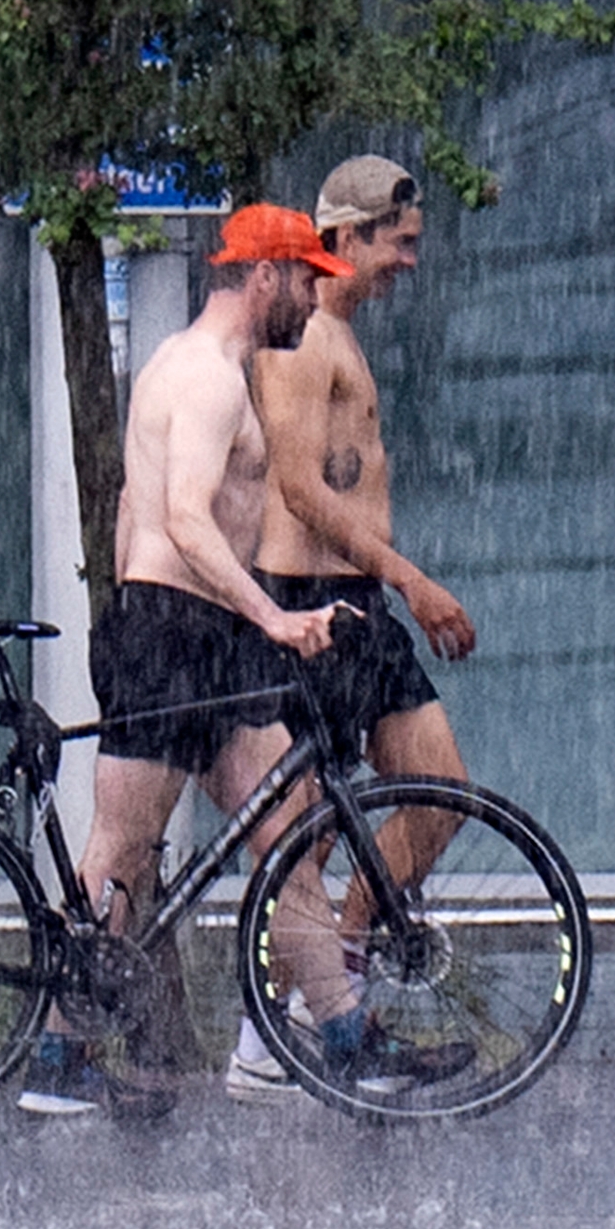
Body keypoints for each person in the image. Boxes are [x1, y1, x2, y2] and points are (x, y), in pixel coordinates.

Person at [21, 204, 404, 1115]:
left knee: (288, 835)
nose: (317, 293)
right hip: (173, 635)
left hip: (194, 637)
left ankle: (345, 1038)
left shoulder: (197, 370)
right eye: (306, 277)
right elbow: (186, 518)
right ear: (262, 275)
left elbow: (128, 514)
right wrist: (268, 616)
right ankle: (57, 1054)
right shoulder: (203, 378)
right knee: (120, 847)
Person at [229, 154, 479, 1103]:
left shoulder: (341, 335)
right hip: (313, 606)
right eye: (400, 244)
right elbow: (298, 486)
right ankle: (286, 1035)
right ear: (346, 239)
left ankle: (328, 992)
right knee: (309, 840)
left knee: (441, 793)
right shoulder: (302, 341)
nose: (411, 262)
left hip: (360, 609)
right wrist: (412, 578)